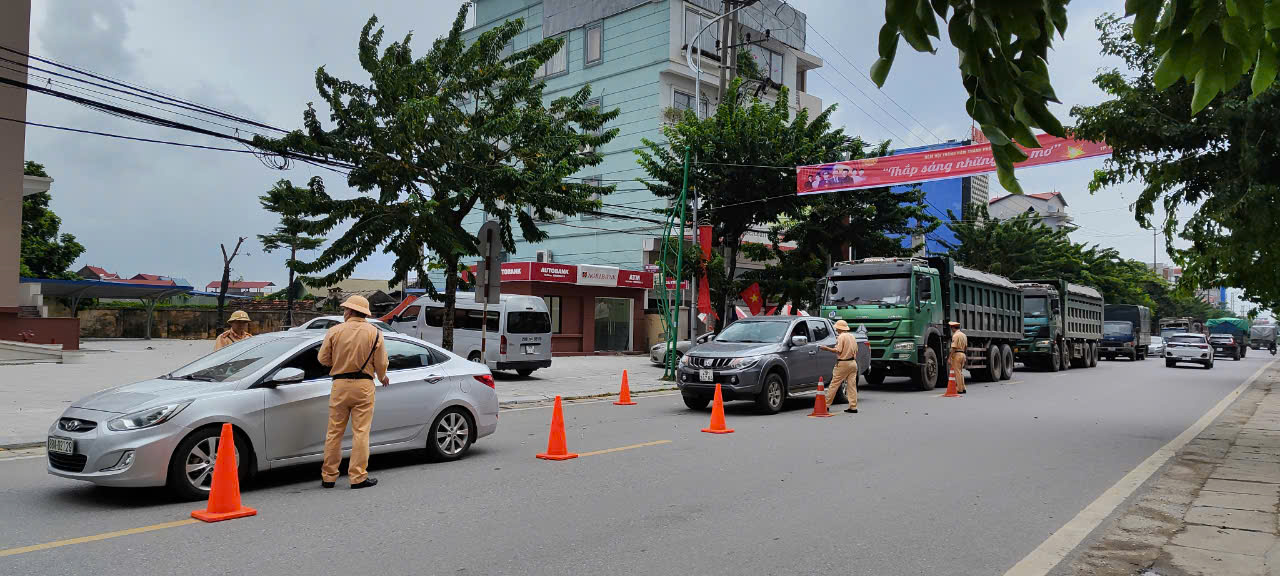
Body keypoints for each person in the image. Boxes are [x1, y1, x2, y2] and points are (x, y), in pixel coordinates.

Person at [318, 295, 389, 490]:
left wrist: (340, 362)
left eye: (345, 310)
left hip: (339, 384)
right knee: (361, 432)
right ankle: (357, 477)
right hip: (364, 386)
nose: (344, 313)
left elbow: (323, 359)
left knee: (334, 432)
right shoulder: (375, 333)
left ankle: (329, 477)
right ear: (364, 313)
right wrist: (382, 377)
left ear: (349, 311)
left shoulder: (334, 331)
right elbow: (381, 363)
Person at [820, 319, 860, 413]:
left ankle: (826, 405)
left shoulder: (841, 337)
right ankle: (853, 407)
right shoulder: (852, 336)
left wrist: (826, 348)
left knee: (834, 384)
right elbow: (856, 351)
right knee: (852, 386)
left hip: (843, 363)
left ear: (839, 328)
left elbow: (838, 350)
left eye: (837, 328)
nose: (836, 330)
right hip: (853, 363)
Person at [949, 321, 967, 394]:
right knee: (961, 372)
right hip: (963, 354)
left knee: (957, 372)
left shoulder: (955, 335)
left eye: (951, 328)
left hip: (957, 354)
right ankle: (963, 388)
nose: (951, 330)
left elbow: (953, 347)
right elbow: (966, 346)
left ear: (953, 328)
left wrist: (949, 357)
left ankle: (959, 389)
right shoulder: (964, 335)